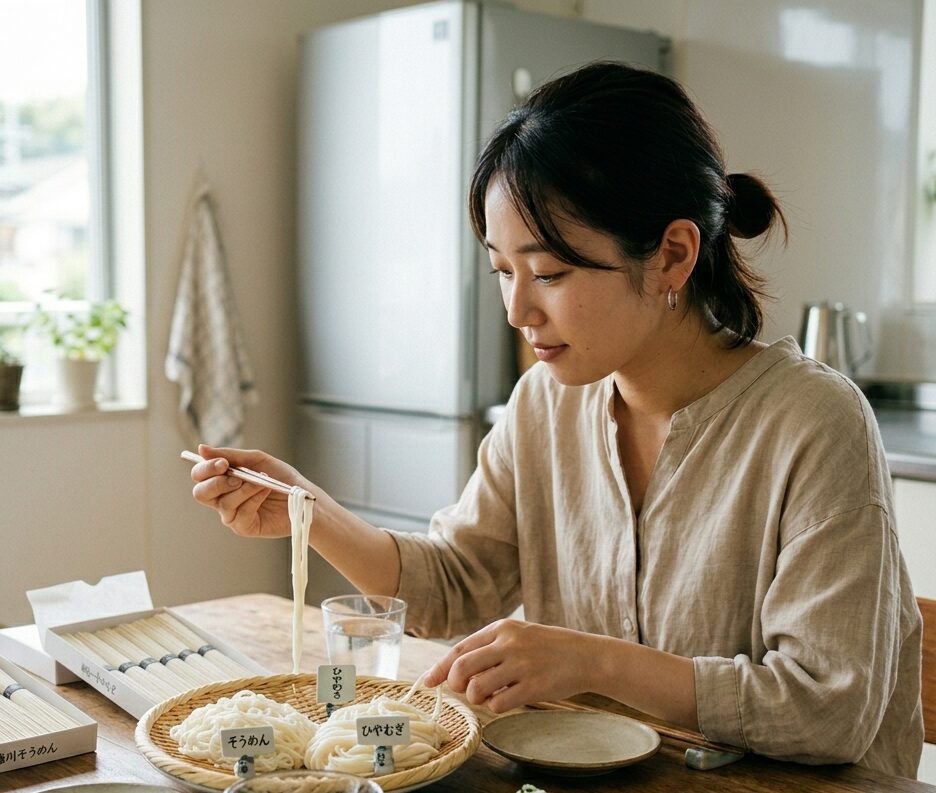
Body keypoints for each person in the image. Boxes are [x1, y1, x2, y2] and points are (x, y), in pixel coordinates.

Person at [190, 61, 923, 778]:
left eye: (549, 273)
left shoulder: (814, 423)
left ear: (672, 255)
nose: (517, 309)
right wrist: (307, 510)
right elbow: (455, 582)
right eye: (503, 271)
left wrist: (591, 658)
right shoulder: (545, 400)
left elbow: (828, 708)